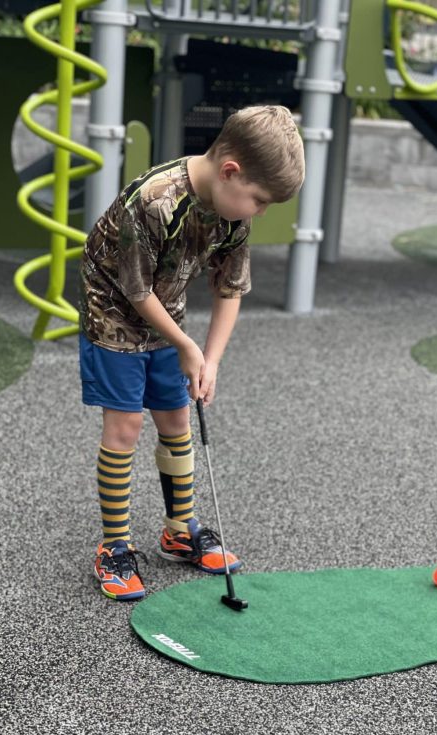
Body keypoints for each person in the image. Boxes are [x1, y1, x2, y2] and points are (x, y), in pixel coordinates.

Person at [79, 105, 305, 600]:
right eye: (259, 200)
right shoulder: (155, 201)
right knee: (125, 426)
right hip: (114, 309)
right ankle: (114, 547)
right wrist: (186, 346)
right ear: (230, 171)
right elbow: (136, 293)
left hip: (166, 310)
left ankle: (179, 530)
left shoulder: (232, 212)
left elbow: (230, 289)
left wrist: (210, 359)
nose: (259, 212)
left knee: (177, 420)